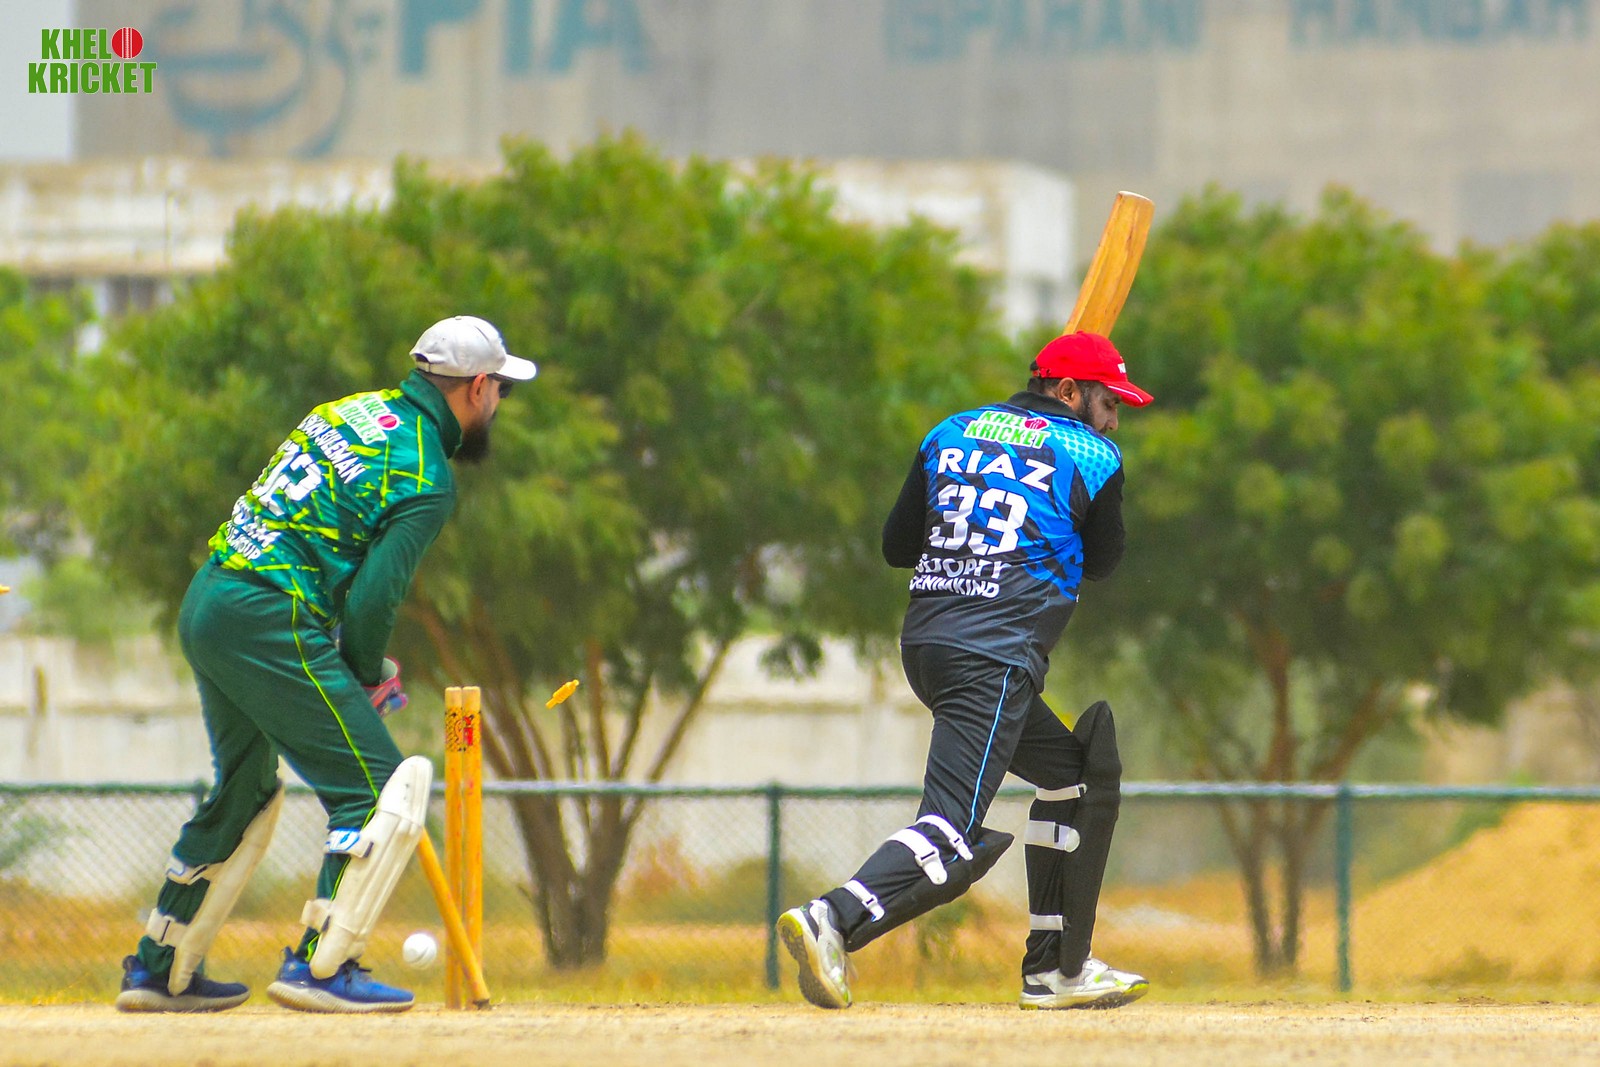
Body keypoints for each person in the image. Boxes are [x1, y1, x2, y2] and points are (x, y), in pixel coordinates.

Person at [114, 316, 536, 1014]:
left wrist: (347, 663)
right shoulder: (425, 473)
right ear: (478, 388)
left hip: (211, 599)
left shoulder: (345, 411)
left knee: (246, 789)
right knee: (377, 787)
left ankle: (160, 968)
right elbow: (373, 599)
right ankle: (322, 965)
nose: (498, 406)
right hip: (269, 615)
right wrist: (366, 674)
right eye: (501, 392)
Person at [778, 331, 1152, 1011]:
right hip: (995, 654)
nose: (1114, 421)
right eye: (1110, 403)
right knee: (950, 830)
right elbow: (1103, 562)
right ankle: (831, 916)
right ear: (1070, 392)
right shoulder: (1094, 456)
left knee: (1072, 776)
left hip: (928, 644)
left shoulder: (948, 432)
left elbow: (897, 545)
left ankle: (1055, 969)